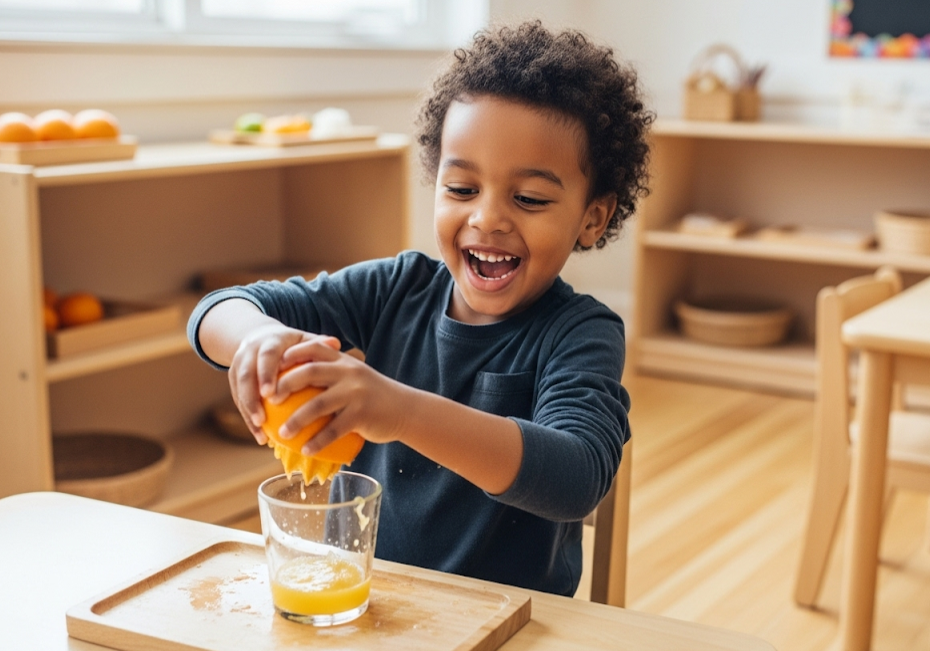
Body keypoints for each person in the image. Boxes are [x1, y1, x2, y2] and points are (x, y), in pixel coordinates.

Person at [187, 19, 652, 597]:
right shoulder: (396, 289)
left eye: (529, 198)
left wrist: (400, 412)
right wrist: (256, 336)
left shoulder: (581, 333)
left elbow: (576, 479)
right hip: (363, 603)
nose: (487, 218)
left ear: (592, 217)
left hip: (507, 622)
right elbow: (216, 311)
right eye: (461, 189)